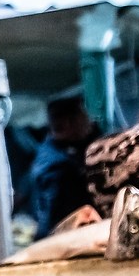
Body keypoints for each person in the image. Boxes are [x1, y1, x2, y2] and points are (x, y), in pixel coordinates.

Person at [26, 94, 99, 234]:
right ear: (67, 123)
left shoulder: (57, 151)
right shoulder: (57, 167)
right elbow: (55, 218)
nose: (90, 121)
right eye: (83, 115)